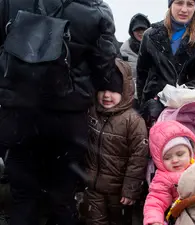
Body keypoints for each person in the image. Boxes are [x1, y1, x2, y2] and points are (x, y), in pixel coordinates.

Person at [0, 0, 117, 225]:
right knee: (62, 198)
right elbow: (104, 62)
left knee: (24, 198)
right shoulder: (95, 9)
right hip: (67, 118)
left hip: (18, 116)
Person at [84, 58, 149, 225]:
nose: (106, 95)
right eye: (102, 90)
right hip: (93, 188)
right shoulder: (92, 113)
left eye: (113, 90)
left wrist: (130, 190)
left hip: (119, 192)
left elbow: (138, 160)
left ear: (125, 91)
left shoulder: (133, 121)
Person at [137, 0, 195, 113]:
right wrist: (144, 106)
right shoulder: (150, 35)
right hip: (154, 105)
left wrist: (177, 95)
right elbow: (142, 75)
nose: (184, 9)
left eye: (190, 4)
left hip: (188, 107)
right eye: (179, 3)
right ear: (170, 5)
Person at [120, 13, 151, 109]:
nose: (141, 32)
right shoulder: (124, 50)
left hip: (152, 95)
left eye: (143, 29)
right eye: (137, 30)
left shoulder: (156, 47)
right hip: (132, 97)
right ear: (131, 31)